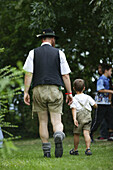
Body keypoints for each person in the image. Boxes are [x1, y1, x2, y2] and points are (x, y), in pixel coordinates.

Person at [23, 28, 73, 158]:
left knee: (43, 121)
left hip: (38, 89)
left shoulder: (33, 53)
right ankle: (57, 134)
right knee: (56, 120)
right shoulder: (59, 53)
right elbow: (65, 75)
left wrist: (26, 92)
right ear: (52, 39)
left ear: (42, 39)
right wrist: (69, 93)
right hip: (55, 89)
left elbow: (28, 74)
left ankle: (46, 151)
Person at [69, 79, 97, 156]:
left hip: (79, 117)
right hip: (88, 116)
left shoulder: (74, 99)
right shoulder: (88, 97)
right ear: (84, 88)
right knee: (86, 133)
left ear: (74, 88)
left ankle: (75, 150)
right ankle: (88, 149)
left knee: (76, 134)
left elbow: (73, 109)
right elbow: (95, 105)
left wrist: (74, 119)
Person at [91, 64, 113, 141]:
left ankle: (110, 135)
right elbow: (99, 89)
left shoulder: (108, 79)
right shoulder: (101, 79)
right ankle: (90, 134)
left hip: (107, 103)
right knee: (98, 120)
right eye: (110, 71)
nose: (111, 73)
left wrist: (110, 101)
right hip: (101, 103)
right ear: (106, 71)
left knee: (110, 119)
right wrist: (110, 91)